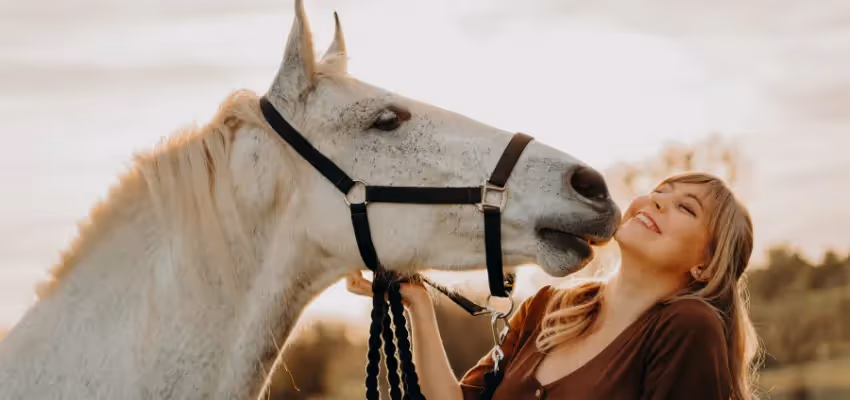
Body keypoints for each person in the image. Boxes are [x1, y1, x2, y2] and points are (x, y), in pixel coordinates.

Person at [346, 172, 761, 399]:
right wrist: (417, 303)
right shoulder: (547, 306)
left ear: (706, 265)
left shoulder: (688, 326)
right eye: (659, 191)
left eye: (685, 208)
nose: (656, 202)